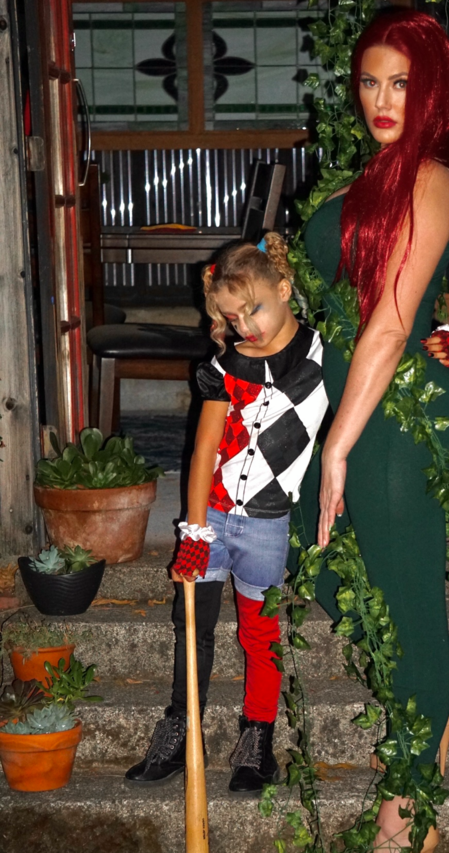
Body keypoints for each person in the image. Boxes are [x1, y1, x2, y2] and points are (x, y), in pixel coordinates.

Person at [294, 10, 449, 851]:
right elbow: (341, 299)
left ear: (431, 89)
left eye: (400, 82)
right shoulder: (364, 176)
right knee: (313, 549)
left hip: (397, 419)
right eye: (369, 81)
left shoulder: (432, 179)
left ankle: (407, 817)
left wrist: (337, 446)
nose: (381, 99)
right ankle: (423, 710)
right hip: (351, 405)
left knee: (408, 605)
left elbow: (393, 322)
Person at [125, 232, 329, 795]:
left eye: (253, 310)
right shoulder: (224, 365)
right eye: (233, 317)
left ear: (283, 289)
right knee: (193, 625)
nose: (245, 327)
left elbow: (388, 353)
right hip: (211, 516)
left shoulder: (323, 355)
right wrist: (194, 530)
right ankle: (182, 728)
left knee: (260, 634)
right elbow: (203, 451)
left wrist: (444, 337)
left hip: (267, 524)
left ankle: (257, 740)